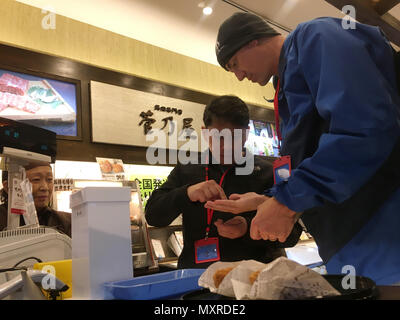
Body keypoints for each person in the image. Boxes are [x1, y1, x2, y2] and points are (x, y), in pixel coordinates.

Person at [209, 12, 400, 285]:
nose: (238, 76)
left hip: (380, 229)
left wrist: (286, 203)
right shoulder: (285, 85)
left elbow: (366, 129)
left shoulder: (315, 36)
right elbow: (313, 157)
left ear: (252, 41)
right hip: (346, 244)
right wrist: (270, 200)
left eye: (234, 63)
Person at [145, 95, 301, 269]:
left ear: (246, 134)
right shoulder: (188, 168)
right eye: (218, 137)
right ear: (205, 133)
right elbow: (153, 215)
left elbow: (292, 235)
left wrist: (246, 228)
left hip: (252, 278)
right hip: (197, 277)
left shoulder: (267, 172)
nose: (226, 146)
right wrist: (186, 193)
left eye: (234, 137)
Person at [0, 163, 71, 237]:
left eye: (49, 179)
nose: (45, 187)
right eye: (36, 179)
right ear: (8, 187)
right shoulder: (2, 219)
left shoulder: (65, 222)